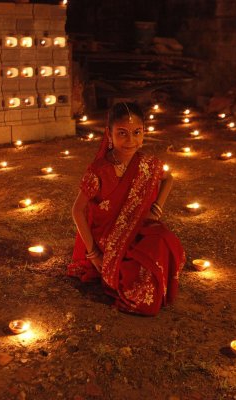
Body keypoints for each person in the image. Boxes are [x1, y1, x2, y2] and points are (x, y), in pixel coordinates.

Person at [68, 102, 185, 316]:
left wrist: (156, 209)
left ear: (143, 134)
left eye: (136, 132)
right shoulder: (99, 171)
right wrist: (94, 255)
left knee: (163, 240)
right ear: (109, 135)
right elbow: (77, 211)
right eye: (122, 133)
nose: (130, 140)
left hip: (138, 225)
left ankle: (150, 284)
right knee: (136, 269)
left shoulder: (148, 164)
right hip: (107, 237)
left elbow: (169, 178)